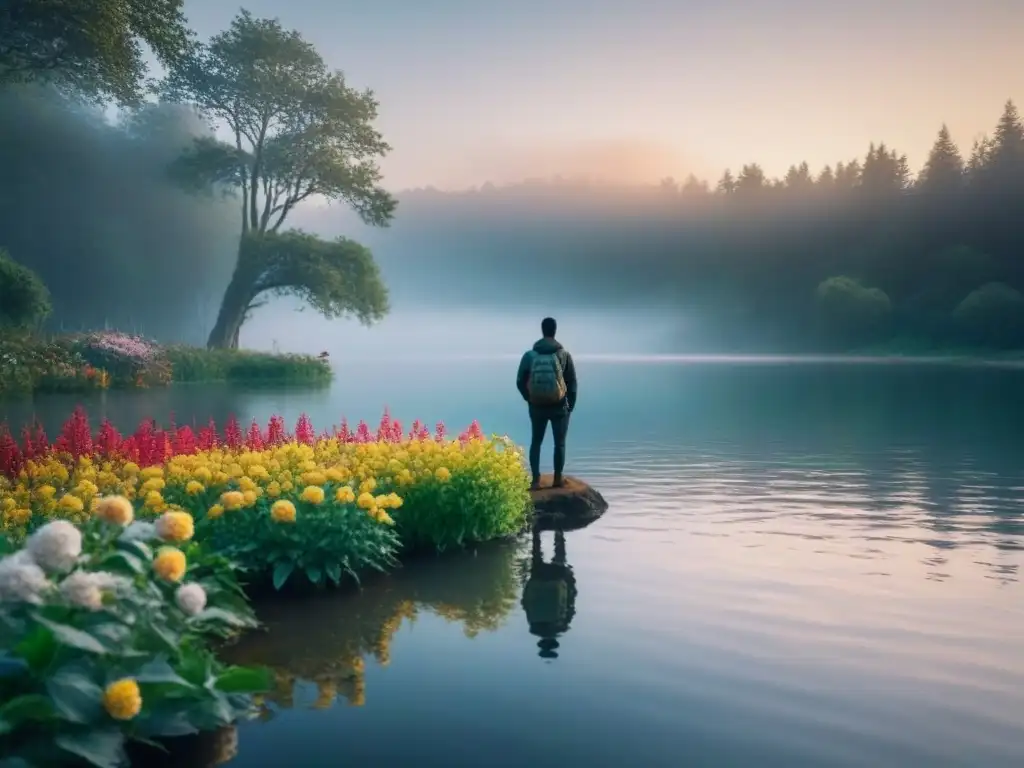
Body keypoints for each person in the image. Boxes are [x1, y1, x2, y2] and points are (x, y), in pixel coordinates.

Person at [516, 316, 578, 490]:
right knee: (560, 443)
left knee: (536, 441)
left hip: (537, 407)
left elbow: (520, 381)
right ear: (554, 331)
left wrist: (529, 398)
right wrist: (570, 405)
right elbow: (572, 383)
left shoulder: (529, 356)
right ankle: (557, 478)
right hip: (559, 407)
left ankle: (535, 480)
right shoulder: (564, 355)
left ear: (542, 331)